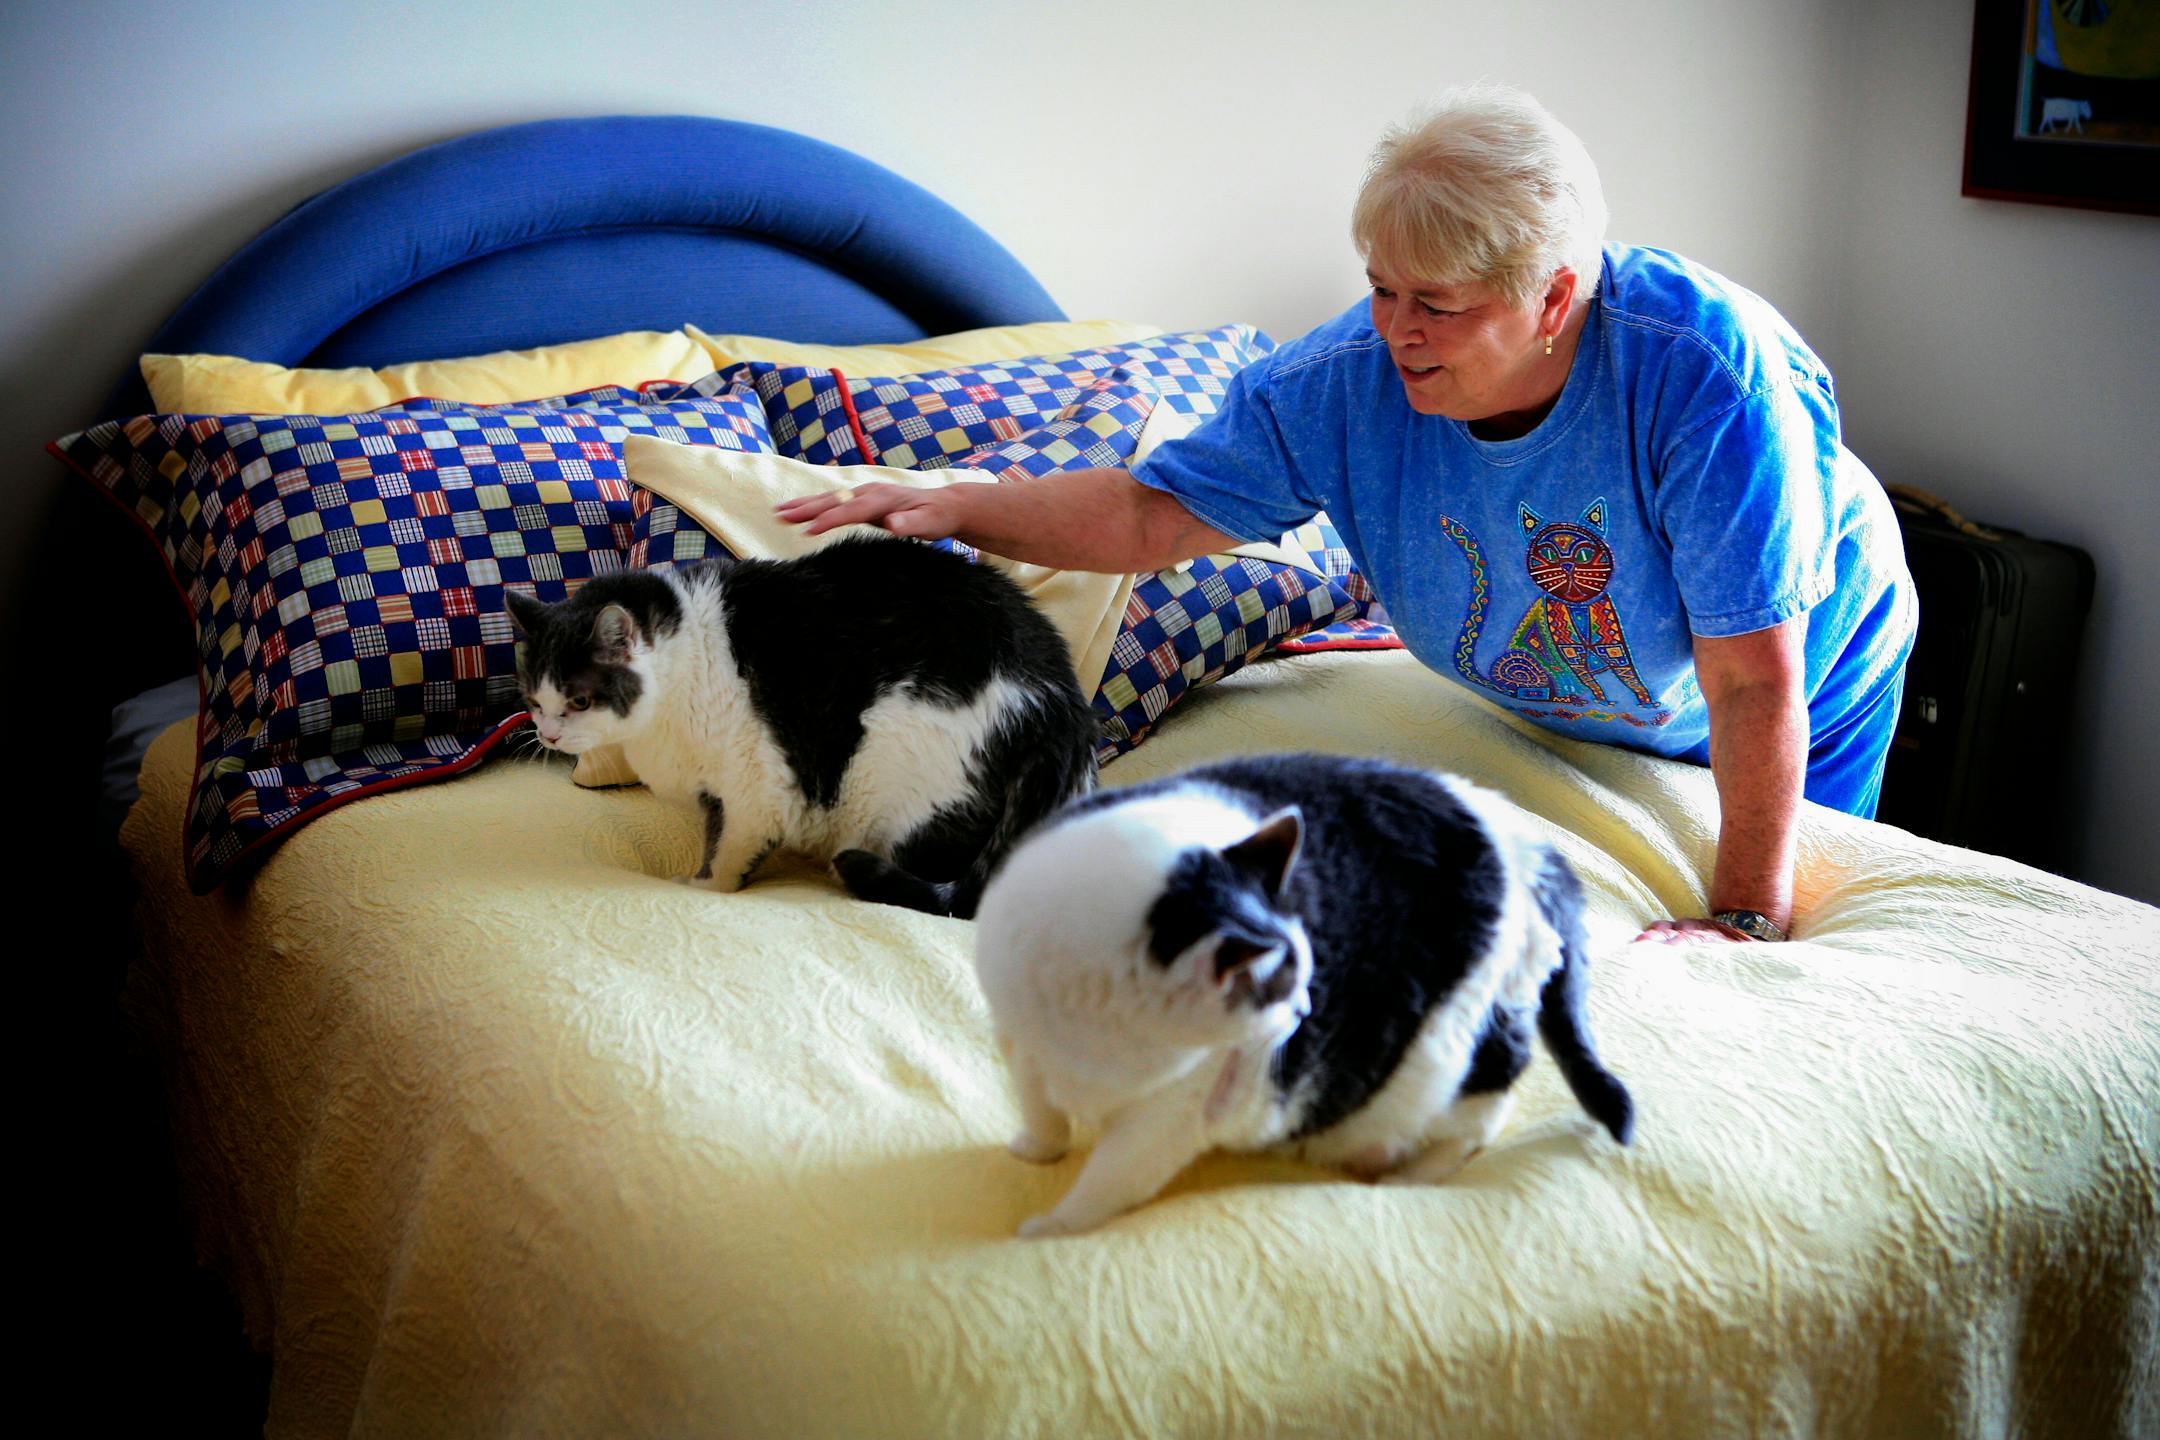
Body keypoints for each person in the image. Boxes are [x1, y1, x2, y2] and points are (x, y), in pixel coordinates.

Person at [778, 83, 1916, 947]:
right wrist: (953, 508)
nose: (1396, 330)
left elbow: (1755, 681)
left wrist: (1744, 922)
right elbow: (1147, 515)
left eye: (1438, 304)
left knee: (1770, 960)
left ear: (1556, 296)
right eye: (1379, 287)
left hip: (1798, 667)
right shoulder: (1340, 385)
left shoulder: (1704, 373)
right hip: (1596, 693)